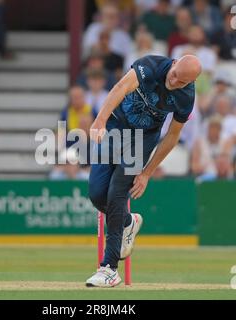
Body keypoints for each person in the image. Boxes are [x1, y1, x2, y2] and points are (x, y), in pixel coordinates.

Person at [85, 54, 201, 287]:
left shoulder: (186, 96)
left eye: (182, 82)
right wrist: (100, 120)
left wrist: (147, 172)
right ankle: (128, 222)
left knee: (117, 194)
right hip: (116, 128)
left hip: (142, 139)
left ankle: (109, 268)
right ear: (175, 62)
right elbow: (120, 87)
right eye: (175, 75)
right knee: (97, 194)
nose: (175, 82)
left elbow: (172, 136)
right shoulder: (151, 65)